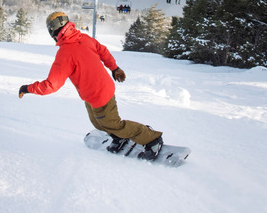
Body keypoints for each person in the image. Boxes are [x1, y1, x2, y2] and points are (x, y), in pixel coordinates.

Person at [18, 12, 164, 160]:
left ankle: (152, 139)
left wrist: (27, 88)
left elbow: (51, 85)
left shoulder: (65, 53)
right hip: (92, 93)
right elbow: (103, 51)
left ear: (52, 31)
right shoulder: (83, 38)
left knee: (112, 124)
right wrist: (114, 68)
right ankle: (120, 138)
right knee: (97, 122)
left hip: (100, 93)